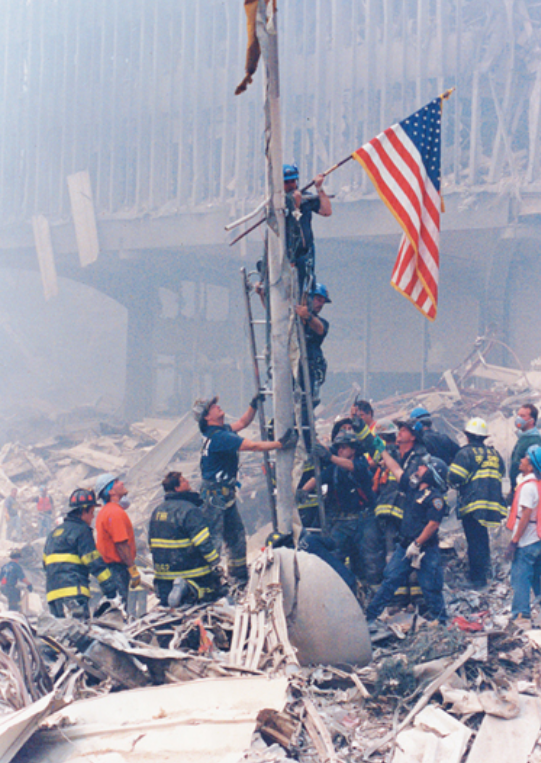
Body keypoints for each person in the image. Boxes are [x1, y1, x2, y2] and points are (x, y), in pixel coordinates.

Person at [193, 395, 297, 583]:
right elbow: (253, 446)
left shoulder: (218, 432)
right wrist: (281, 444)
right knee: (214, 541)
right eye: (213, 406)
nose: (218, 406)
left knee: (236, 537)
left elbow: (242, 422)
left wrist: (253, 406)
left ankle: (239, 577)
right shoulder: (220, 438)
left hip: (223, 493)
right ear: (207, 417)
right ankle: (206, 580)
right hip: (215, 495)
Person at [366, 453, 448, 625]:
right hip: (406, 546)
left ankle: (441, 622)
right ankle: (369, 617)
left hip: (425, 550)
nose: (419, 467)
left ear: (431, 473)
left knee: (430, 587)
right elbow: (396, 469)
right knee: (390, 581)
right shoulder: (412, 488)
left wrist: (418, 544)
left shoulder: (435, 498)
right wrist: (384, 452)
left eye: (424, 467)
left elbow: (433, 525)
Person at [298, 431, 381, 584]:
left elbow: (352, 467)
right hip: (343, 522)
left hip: (365, 520)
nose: (340, 450)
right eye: (339, 448)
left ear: (353, 450)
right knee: (335, 555)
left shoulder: (361, 463)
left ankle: (373, 592)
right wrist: (303, 490)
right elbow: (318, 478)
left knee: (371, 559)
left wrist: (329, 456)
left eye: (344, 447)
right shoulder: (335, 469)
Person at [149, 471, 224, 607]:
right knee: (209, 596)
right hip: (192, 574)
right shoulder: (189, 510)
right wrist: (214, 561)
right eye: (183, 480)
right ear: (177, 488)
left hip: (164, 576)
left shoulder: (157, 510)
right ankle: (187, 588)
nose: (188, 482)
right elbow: (202, 541)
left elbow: (152, 544)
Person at [448, 417, 507, 589]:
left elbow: (455, 477)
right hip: (492, 503)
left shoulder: (465, 453)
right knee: (482, 538)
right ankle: (486, 572)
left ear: (467, 436)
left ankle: (478, 579)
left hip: (473, 504)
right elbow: (500, 472)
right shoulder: (494, 454)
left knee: (474, 540)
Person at [43, 489, 117, 619]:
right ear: (84, 511)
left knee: (60, 636)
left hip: (53, 597)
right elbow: (93, 562)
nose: (93, 516)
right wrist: (110, 588)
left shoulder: (53, 534)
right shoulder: (82, 531)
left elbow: (45, 564)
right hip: (74, 594)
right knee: (79, 634)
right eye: (92, 512)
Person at [505, 444, 541, 628]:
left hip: (527, 540)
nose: (521, 459)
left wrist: (514, 541)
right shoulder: (538, 484)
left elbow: (525, 515)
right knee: (537, 577)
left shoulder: (528, 487)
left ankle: (521, 614)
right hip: (538, 538)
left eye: (525, 457)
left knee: (520, 577)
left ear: (532, 464)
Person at [283, 163, 332, 290]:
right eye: (286, 182)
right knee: (288, 289)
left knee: (307, 287)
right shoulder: (278, 202)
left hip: (306, 251)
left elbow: (326, 211)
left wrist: (319, 188)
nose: (290, 185)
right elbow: (292, 224)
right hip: (286, 253)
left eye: (292, 181)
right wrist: (295, 206)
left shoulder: (305, 196)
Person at [95, 473, 140, 606]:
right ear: (111, 491)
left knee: (114, 606)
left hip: (110, 569)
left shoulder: (106, 511)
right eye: (116, 482)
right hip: (116, 569)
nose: (121, 483)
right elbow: (121, 543)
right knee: (118, 607)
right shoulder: (114, 513)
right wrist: (132, 568)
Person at [295, 282, 331, 409]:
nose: (321, 304)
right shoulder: (291, 318)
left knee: (306, 408)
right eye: (318, 299)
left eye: (323, 301)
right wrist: (262, 295)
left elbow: (320, 328)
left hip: (310, 372)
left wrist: (307, 316)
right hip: (290, 368)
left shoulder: (321, 322)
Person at [509, 404, 541, 495]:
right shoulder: (523, 438)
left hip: (526, 489)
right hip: (518, 487)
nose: (519, 419)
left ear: (532, 421)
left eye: (523, 416)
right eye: (518, 415)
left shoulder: (534, 441)